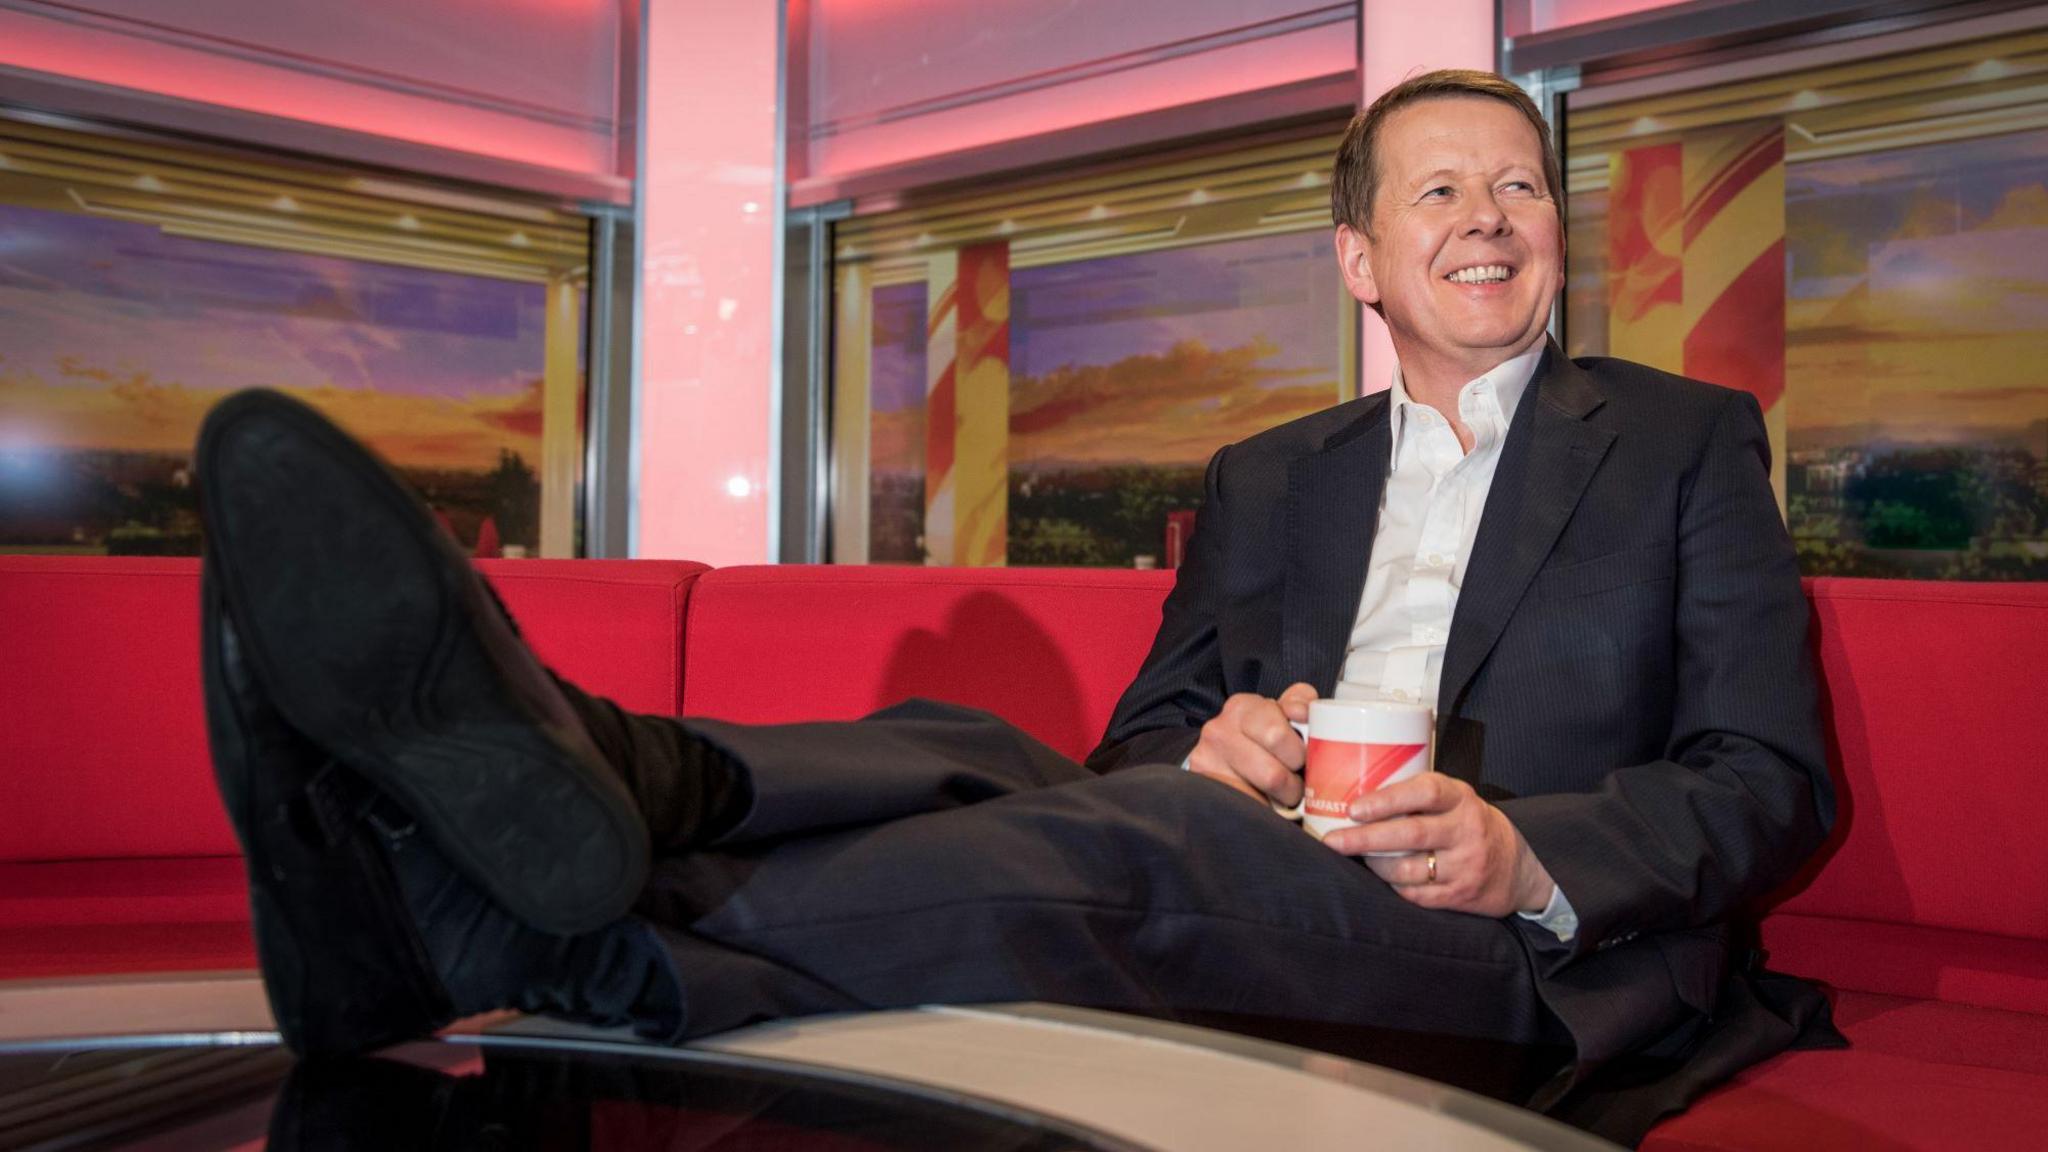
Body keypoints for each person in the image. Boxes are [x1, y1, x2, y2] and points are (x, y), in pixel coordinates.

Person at [194, 70, 1835, 1146]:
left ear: (1556, 232)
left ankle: (568, 947)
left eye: (1523, 188)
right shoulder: (1276, 473)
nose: (1492, 216)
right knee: (965, 740)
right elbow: (1142, 740)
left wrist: (1528, 859)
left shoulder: (1680, 443)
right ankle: (606, 780)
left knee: (1127, 853)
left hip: (1496, 956)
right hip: (1264, 859)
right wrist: (1222, 747)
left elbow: (1767, 776)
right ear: (1358, 260)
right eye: (1441, 193)